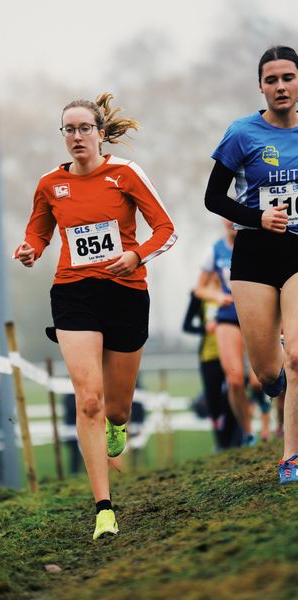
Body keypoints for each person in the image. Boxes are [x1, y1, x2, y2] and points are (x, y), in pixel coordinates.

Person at [15, 93, 177, 538]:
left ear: (101, 135)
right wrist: (32, 248)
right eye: (68, 129)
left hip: (125, 291)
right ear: (63, 137)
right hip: (74, 292)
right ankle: (104, 507)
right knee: (88, 398)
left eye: (84, 128)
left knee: (118, 408)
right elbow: (39, 227)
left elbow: (166, 229)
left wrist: (136, 256)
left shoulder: (125, 174)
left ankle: (117, 427)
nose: (76, 136)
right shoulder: (50, 183)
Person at [204, 46, 298, 483]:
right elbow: (214, 198)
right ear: (261, 85)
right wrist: (257, 217)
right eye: (272, 79)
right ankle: (276, 384)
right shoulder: (242, 133)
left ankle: (290, 458)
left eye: (288, 77)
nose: (280, 86)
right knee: (266, 371)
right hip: (256, 253)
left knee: (297, 354)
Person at [195, 220, 262, 447]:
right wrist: (217, 297)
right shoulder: (215, 251)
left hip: (254, 314)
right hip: (228, 318)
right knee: (233, 380)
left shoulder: (257, 246)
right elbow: (199, 288)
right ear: (224, 222)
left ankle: (262, 399)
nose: (233, 224)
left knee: (257, 381)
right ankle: (248, 432)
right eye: (228, 220)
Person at [182, 288, 241, 450]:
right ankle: (221, 443)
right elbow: (186, 326)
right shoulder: (200, 295)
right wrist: (204, 328)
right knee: (214, 402)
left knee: (233, 396)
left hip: (233, 353)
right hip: (209, 356)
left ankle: (235, 441)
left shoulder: (233, 290)